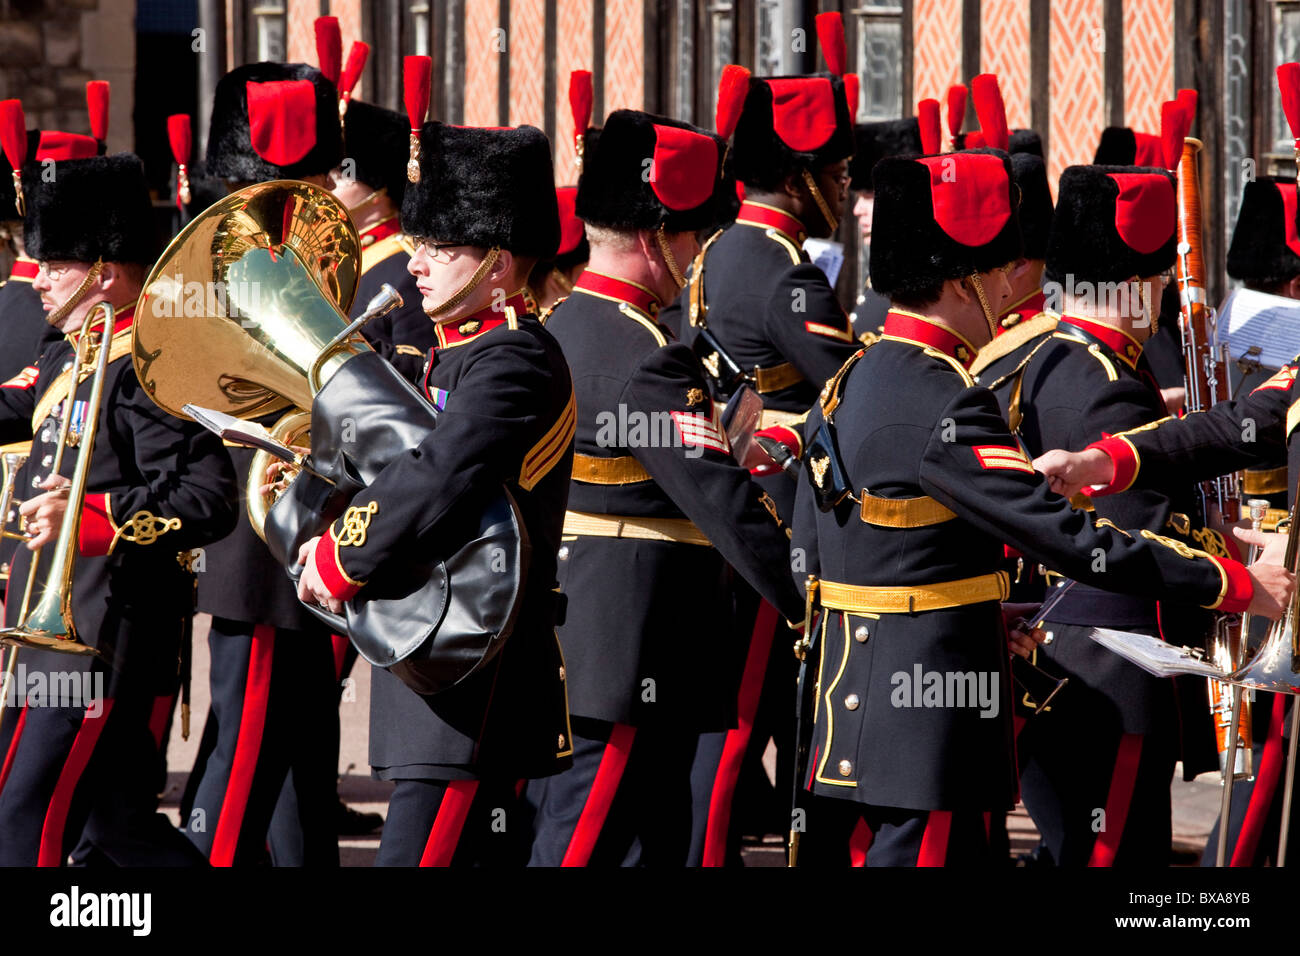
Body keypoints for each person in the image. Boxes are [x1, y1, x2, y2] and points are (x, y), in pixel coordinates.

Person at [789, 146, 1293, 866]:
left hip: (863, 697)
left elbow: (845, 550)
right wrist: (1232, 583)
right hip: (928, 725)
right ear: (964, 279)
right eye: (999, 270)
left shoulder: (856, 373)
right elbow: (1071, 539)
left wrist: (977, 611)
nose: (1010, 286)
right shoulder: (944, 397)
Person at [522, 107, 802, 867]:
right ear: (654, 238)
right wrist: (812, 596)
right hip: (632, 643)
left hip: (587, 637)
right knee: (584, 845)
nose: (700, 252)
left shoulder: (561, 322)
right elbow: (721, 501)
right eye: (692, 237)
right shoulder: (649, 355)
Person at [295, 116, 575, 867]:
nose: (417, 265)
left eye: (442, 249)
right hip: (433, 667)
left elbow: (440, 469)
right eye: (419, 244)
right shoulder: (454, 352)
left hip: (471, 675)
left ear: (499, 263)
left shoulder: (513, 358)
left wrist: (341, 557)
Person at [979, 164, 1231, 865]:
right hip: (1110, 670)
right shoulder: (1106, 383)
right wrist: (1226, 548)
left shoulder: (1029, 350)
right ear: (1138, 280)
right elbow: (1130, 535)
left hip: (1046, 653)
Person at [0, 129, 236, 865]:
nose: (37, 278)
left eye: (58, 264)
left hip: (106, 629)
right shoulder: (68, 346)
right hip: (52, 623)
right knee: (118, 825)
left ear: (105, 272)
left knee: (22, 818)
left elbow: (207, 497)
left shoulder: (156, 365)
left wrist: (94, 517)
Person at [179, 59, 345, 867]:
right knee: (243, 761)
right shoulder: (252, 270)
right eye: (317, 176)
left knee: (299, 759)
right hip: (266, 541)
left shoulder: (275, 265)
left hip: (299, 532)